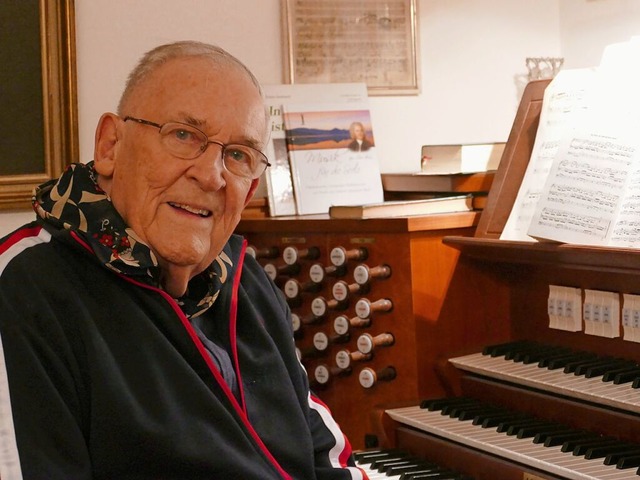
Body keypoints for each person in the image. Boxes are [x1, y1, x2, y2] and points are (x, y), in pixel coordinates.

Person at [0, 41, 368, 480]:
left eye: (237, 155)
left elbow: (326, 461)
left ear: (249, 191)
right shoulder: (24, 288)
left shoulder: (246, 280)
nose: (211, 174)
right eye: (183, 135)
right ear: (110, 145)